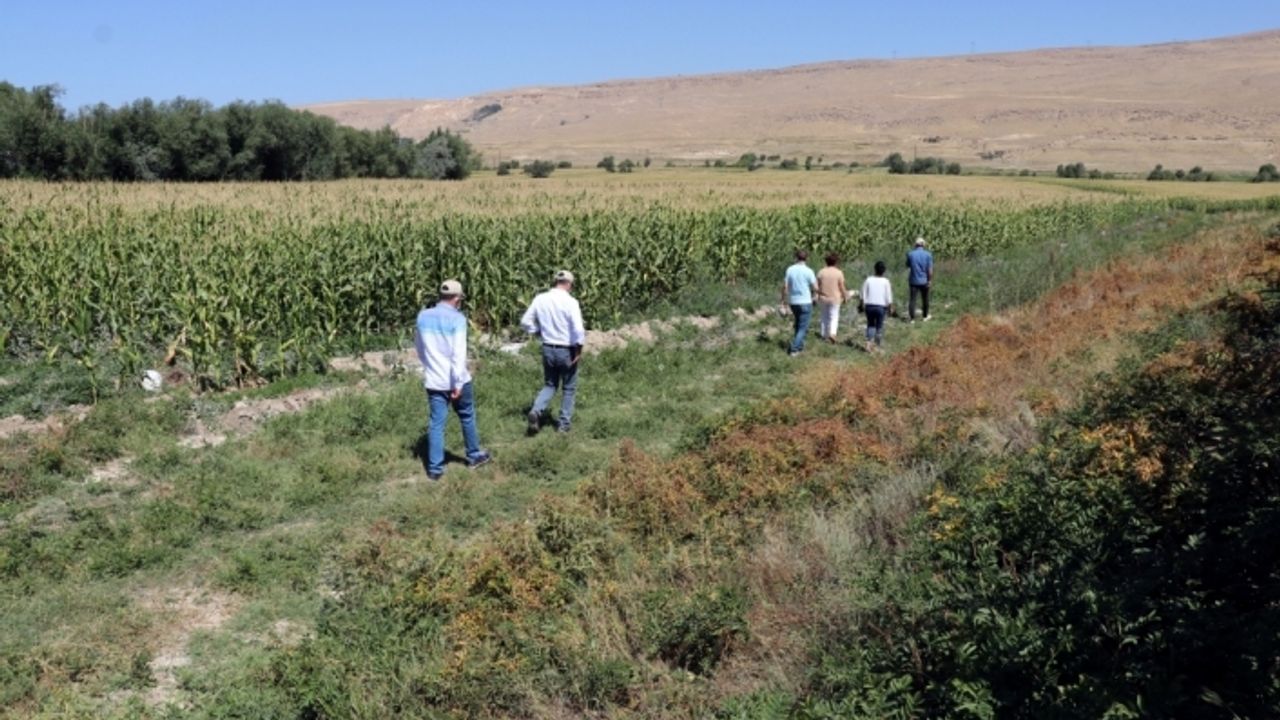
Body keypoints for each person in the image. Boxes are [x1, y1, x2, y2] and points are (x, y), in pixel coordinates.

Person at [413, 279, 491, 481]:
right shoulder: (457, 319)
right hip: (457, 380)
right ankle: (474, 456)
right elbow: (458, 353)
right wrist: (456, 383)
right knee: (466, 415)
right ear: (457, 298)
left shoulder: (423, 316)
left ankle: (435, 469)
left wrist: (429, 365)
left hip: (434, 380)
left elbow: (420, 347)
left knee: (436, 423)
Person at [521, 269, 586, 434]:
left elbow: (525, 321)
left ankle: (536, 410)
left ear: (555, 281)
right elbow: (578, 329)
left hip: (548, 346)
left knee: (550, 384)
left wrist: (538, 331)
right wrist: (578, 349)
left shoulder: (540, 299)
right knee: (569, 387)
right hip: (566, 348)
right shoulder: (571, 302)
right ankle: (563, 425)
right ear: (569, 284)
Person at [781, 250, 819, 356]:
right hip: (806, 301)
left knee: (798, 324)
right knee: (803, 328)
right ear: (806, 258)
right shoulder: (809, 271)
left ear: (796, 257)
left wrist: (783, 301)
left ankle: (799, 347)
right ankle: (794, 349)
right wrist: (816, 296)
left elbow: (785, 287)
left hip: (793, 301)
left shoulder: (790, 269)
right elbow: (815, 287)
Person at [860, 260, 894, 352]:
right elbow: (888, 296)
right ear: (884, 271)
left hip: (869, 306)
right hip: (881, 307)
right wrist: (890, 307)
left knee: (870, 324)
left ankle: (869, 342)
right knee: (879, 326)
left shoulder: (868, 280)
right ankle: (877, 344)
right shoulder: (886, 281)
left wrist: (861, 304)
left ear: (875, 269)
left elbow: (863, 293)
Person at [816, 252, 848, 343]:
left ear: (826, 261)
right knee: (834, 316)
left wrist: (817, 295)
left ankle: (824, 334)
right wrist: (845, 296)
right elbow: (841, 286)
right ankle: (833, 333)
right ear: (836, 262)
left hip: (823, 297)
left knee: (824, 316)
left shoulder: (821, 272)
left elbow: (817, 285)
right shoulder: (839, 273)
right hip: (835, 298)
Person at [906, 236, 934, 322]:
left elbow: (908, 265)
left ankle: (912, 319)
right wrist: (929, 280)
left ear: (916, 245)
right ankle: (925, 316)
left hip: (913, 280)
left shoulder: (910, 254)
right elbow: (929, 270)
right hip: (924, 280)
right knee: (925, 299)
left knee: (912, 299)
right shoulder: (928, 255)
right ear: (923, 245)